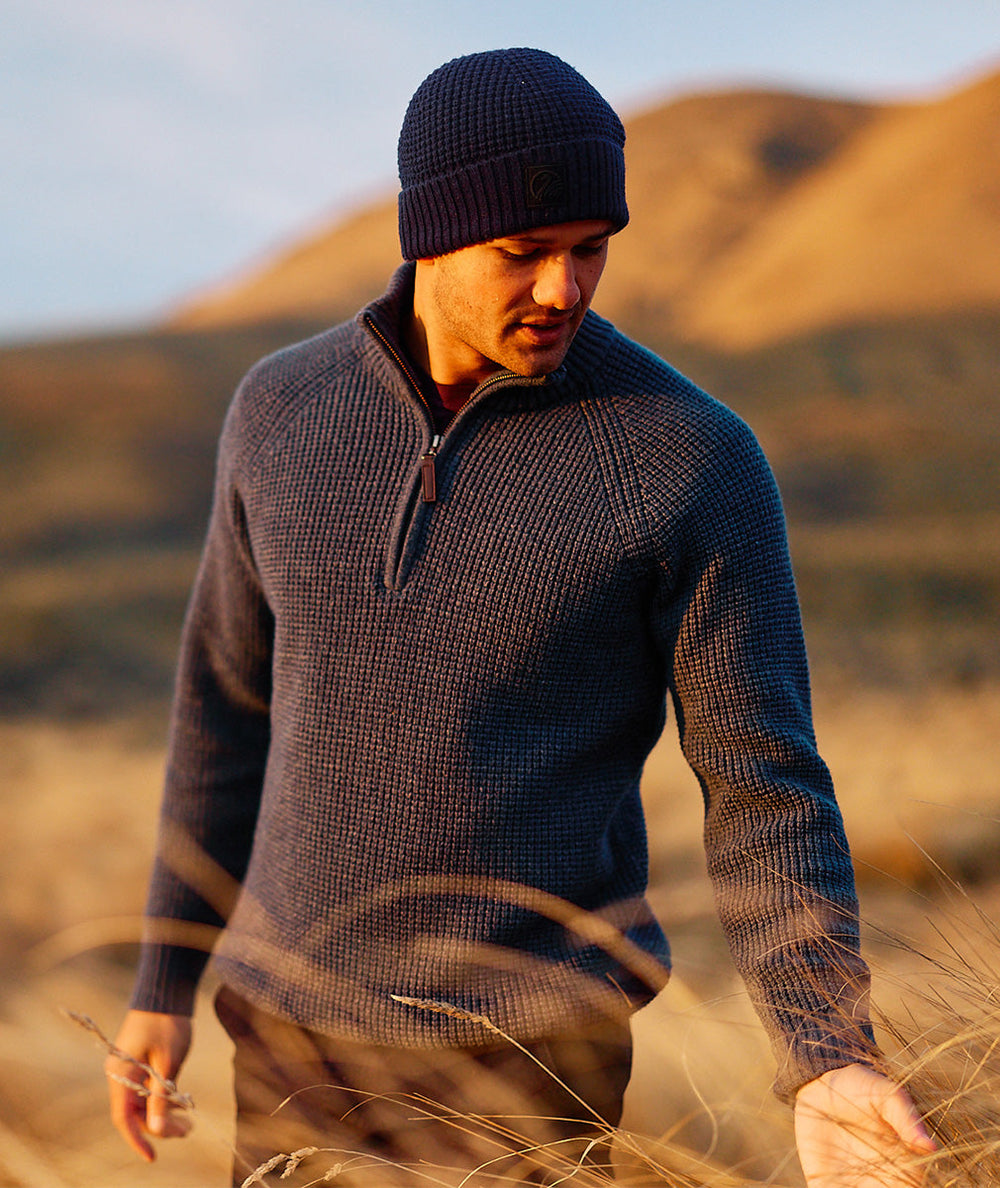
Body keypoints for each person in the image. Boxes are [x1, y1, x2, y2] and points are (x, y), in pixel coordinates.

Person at [107, 48, 936, 1187]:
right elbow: (222, 708)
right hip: (291, 1049)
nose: (564, 290)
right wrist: (164, 981)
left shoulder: (686, 458)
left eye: (590, 250)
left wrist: (825, 1053)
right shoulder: (279, 412)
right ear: (428, 234)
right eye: (524, 254)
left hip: (532, 1066)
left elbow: (763, 782)